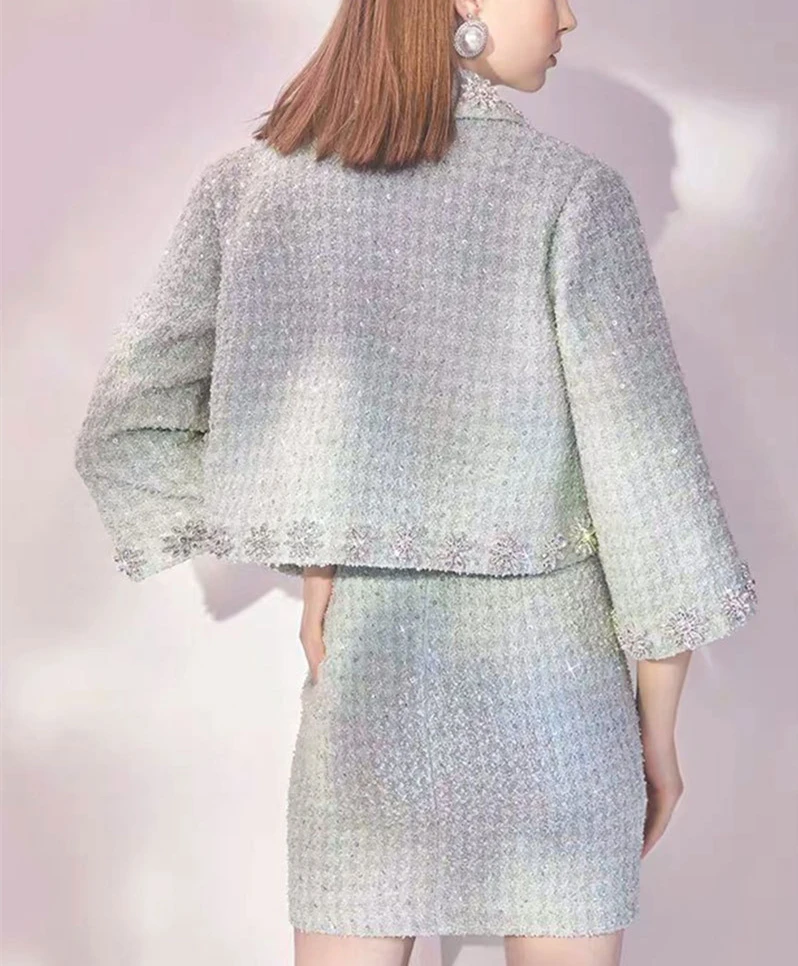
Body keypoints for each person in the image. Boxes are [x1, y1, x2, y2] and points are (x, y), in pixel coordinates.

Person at [72, 1, 758, 964]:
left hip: (366, 693)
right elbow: (650, 485)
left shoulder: (252, 189)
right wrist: (659, 735)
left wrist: (321, 544)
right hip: (557, 703)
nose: (570, 16)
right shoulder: (569, 194)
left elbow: (130, 422)